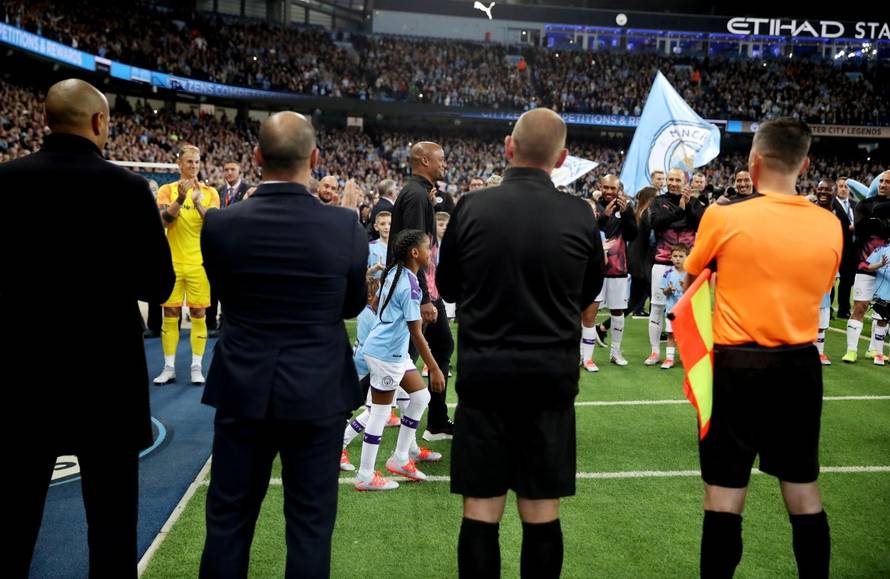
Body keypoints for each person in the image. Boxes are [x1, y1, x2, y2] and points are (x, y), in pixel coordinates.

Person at [5, 78, 175, 578]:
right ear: (99, 122)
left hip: (21, 373)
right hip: (106, 376)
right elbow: (158, 285)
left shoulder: (6, 181)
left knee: (11, 524)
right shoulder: (128, 188)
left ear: (45, 119)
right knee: (112, 524)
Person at [198, 112, 368, 578]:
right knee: (310, 527)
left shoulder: (220, 223)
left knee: (228, 522)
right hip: (317, 389)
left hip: (242, 384)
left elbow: (223, 294)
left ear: (256, 157)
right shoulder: (345, 225)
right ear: (314, 159)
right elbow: (351, 305)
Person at [437, 108, 604, 579]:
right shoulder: (579, 213)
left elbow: (447, 286)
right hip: (549, 379)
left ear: (509, 147)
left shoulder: (471, 207)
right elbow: (588, 291)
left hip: (485, 376)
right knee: (541, 510)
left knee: (481, 510)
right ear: (562, 159)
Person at [683, 118, 841, 578]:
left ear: (753, 161)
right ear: (805, 165)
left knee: (724, 494)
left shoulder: (723, 216)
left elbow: (693, 280)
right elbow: (822, 288)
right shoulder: (830, 224)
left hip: (736, 364)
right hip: (799, 365)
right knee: (804, 491)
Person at [352, 229, 446, 490]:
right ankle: (365, 476)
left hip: (392, 352)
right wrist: (435, 368)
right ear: (415, 253)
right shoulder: (410, 285)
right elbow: (416, 333)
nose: (431, 253)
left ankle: (401, 457)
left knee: (420, 397)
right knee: (380, 413)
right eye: (427, 248)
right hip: (387, 354)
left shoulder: (396, 272)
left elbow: (376, 305)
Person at [388, 141, 455, 441]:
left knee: (442, 346)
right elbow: (414, 249)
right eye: (441, 159)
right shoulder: (416, 196)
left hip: (422, 290)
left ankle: (437, 422)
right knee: (398, 360)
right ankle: (345, 421)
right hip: (418, 292)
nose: (445, 164)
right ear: (425, 161)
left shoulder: (418, 194)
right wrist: (425, 298)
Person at [153, 144, 221, 385]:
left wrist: (199, 202)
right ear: (179, 164)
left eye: (197, 161)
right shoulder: (166, 190)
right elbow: (164, 221)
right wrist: (181, 199)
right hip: (171, 263)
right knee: (170, 313)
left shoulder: (210, 192)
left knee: (199, 313)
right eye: (189, 161)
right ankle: (169, 367)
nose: (194, 166)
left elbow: (215, 224)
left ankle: (196, 367)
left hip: (199, 263)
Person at [646, 168, 707, 366]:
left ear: (684, 182)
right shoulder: (658, 201)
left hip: (687, 267)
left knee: (687, 309)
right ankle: (655, 352)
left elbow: (701, 225)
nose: (673, 183)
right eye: (670, 179)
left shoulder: (694, 202)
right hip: (662, 263)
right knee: (657, 307)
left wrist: (687, 206)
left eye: (677, 180)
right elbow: (656, 223)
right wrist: (679, 210)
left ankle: (684, 352)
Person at [580, 175, 637, 371]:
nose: (609, 192)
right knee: (588, 314)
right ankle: (584, 356)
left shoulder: (626, 208)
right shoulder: (591, 206)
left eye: (613, 188)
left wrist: (626, 213)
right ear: (600, 187)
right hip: (593, 270)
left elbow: (633, 235)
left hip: (617, 268)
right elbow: (586, 231)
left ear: (619, 189)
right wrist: (603, 216)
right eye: (606, 188)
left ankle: (615, 352)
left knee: (618, 311)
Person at [843, 170, 890, 363]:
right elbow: (863, 228)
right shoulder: (864, 204)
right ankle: (851, 350)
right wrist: (882, 223)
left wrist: (879, 222)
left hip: (887, 269)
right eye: (882, 181)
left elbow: (877, 227)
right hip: (866, 263)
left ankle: (873, 350)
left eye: (888, 182)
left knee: (883, 312)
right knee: (860, 306)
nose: (883, 184)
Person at [658, 243, 689, 369]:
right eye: (675, 256)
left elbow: (693, 292)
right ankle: (669, 359)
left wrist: (684, 287)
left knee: (685, 336)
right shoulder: (668, 273)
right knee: (671, 334)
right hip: (671, 311)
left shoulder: (690, 274)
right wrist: (669, 290)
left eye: (681, 256)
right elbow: (664, 292)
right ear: (670, 258)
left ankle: (685, 357)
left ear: (687, 257)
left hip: (686, 312)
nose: (677, 259)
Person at [833, 176, 857, 319]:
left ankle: (844, 310)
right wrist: (848, 228)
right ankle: (828, 309)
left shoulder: (855, 204)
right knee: (832, 280)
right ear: (836, 188)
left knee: (847, 281)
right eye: (841, 186)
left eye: (846, 186)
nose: (843, 189)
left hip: (852, 249)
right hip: (837, 247)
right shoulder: (832, 203)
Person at [866, 242, 890, 365]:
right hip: (883, 293)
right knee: (881, 321)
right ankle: (879, 354)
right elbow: (869, 267)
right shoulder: (882, 248)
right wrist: (881, 264)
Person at [368, 211, 391, 279]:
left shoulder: (399, 247)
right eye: (382, 224)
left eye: (390, 224)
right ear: (376, 227)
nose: (386, 227)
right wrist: (374, 269)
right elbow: (361, 274)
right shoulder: (370, 247)